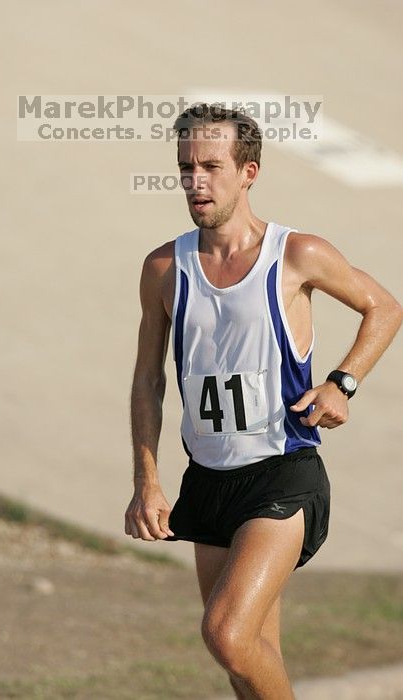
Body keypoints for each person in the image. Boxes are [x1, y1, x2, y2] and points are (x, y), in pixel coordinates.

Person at [124, 103, 402, 699]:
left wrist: (343, 381)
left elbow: (385, 308)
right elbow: (148, 379)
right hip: (207, 480)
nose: (196, 181)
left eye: (212, 166)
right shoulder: (165, 268)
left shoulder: (297, 255)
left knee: (226, 633)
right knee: (248, 661)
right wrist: (147, 479)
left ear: (248, 171)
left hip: (282, 472)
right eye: (186, 168)